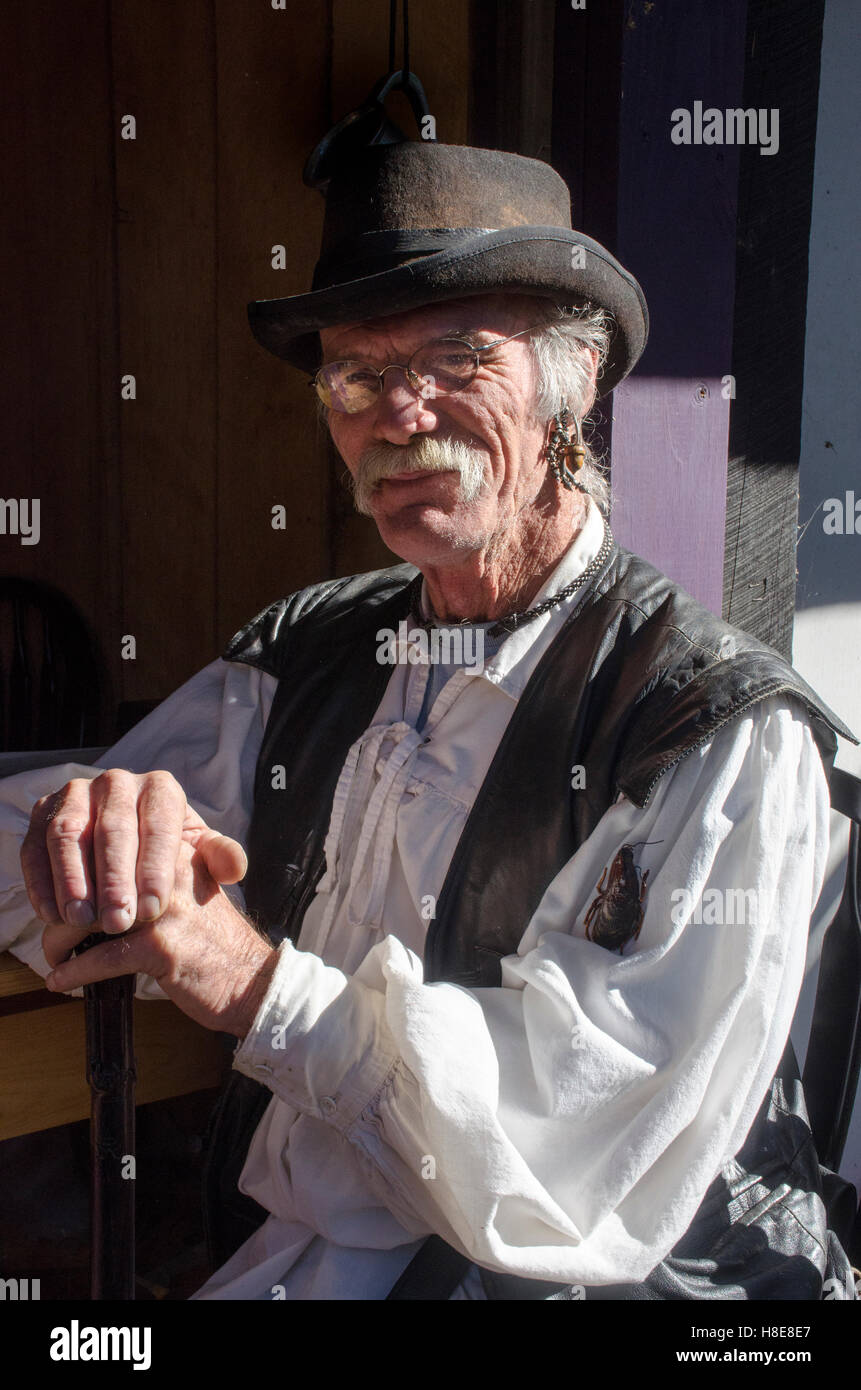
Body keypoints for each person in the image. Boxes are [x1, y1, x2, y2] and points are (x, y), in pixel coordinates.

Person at [0, 141, 856, 1300]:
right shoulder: (314, 649)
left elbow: (581, 1153)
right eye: (354, 375)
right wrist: (92, 829)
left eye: (457, 356)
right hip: (300, 1255)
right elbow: (40, 852)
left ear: (575, 381)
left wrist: (248, 978)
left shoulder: (711, 725)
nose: (400, 416)